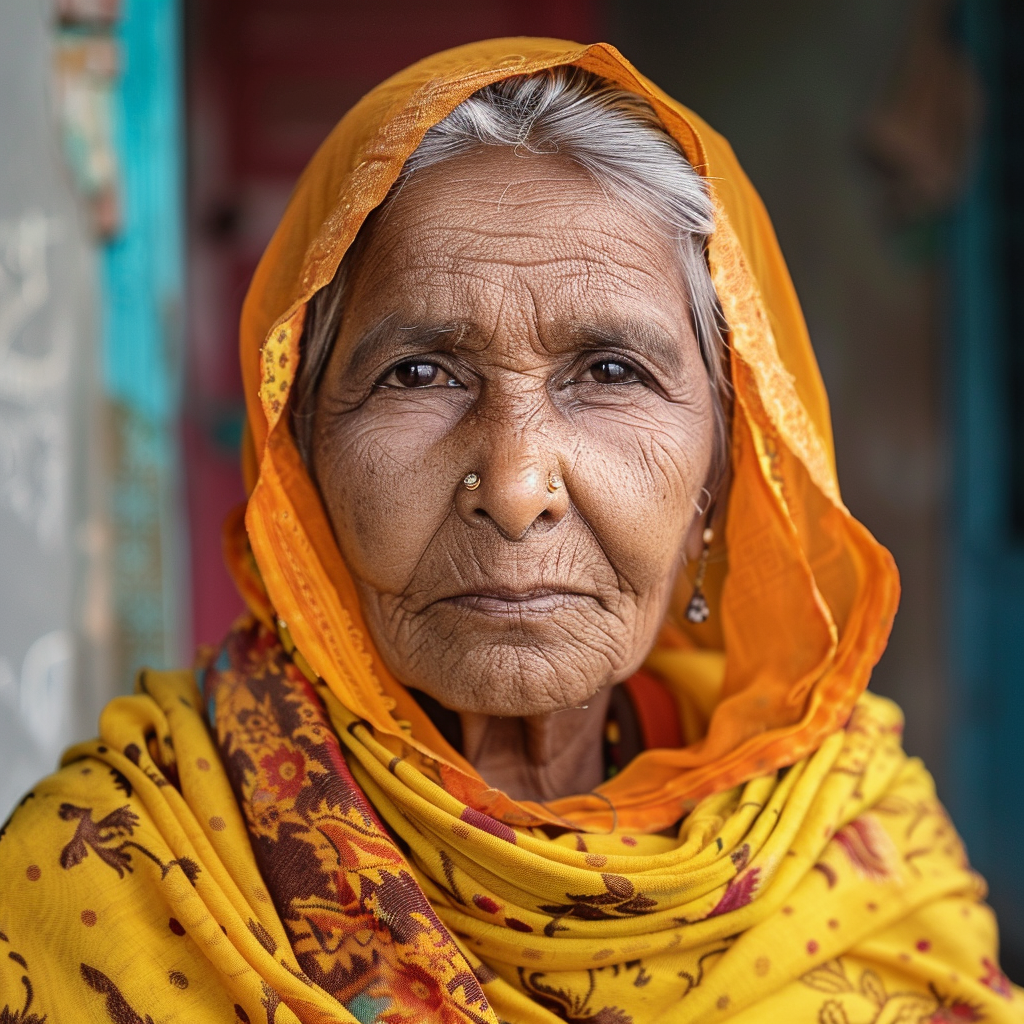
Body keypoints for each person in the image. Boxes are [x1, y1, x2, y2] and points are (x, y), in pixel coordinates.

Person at [0, 38, 1019, 1024]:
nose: (518, 484)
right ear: (302, 449)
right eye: (418, 373)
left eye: (611, 372)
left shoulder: (854, 840)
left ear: (724, 461)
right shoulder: (126, 866)